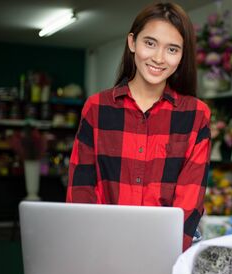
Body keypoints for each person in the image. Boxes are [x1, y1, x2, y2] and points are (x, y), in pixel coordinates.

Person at [67, 1, 211, 251]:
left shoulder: (196, 115)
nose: (158, 58)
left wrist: (164, 256)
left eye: (172, 49)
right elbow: (81, 190)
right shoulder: (97, 108)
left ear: (182, 55)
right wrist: (89, 247)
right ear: (132, 43)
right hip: (102, 247)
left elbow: (189, 202)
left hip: (167, 252)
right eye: (150, 43)